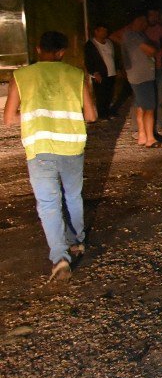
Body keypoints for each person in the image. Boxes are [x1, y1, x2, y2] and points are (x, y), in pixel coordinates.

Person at [3, 31, 97, 281]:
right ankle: (76, 242)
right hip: (71, 147)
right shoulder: (76, 75)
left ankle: (60, 257)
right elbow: (91, 115)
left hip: (39, 148)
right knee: (73, 196)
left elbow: (9, 118)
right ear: (62, 52)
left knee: (48, 204)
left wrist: (36, 114)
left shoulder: (21, 76)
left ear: (37, 49)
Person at [112, 11, 162, 148]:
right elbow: (149, 50)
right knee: (149, 108)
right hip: (141, 77)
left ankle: (142, 135)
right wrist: (155, 48)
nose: (144, 24)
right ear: (134, 21)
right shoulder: (131, 35)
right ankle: (150, 139)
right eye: (142, 21)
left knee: (141, 105)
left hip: (140, 75)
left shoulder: (137, 35)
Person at [84, 23, 119, 119]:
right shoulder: (91, 44)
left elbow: (113, 56)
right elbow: (89, 60)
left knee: (109, 94)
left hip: (111, 72)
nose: (105, 33)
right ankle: (102, 115)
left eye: (106, 31)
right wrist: (94, 72)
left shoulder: (109, 43)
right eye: (102, 31)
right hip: (100, 74)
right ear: (96, 31)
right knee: (101, 95)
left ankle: (108, 112)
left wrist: (117, 68)